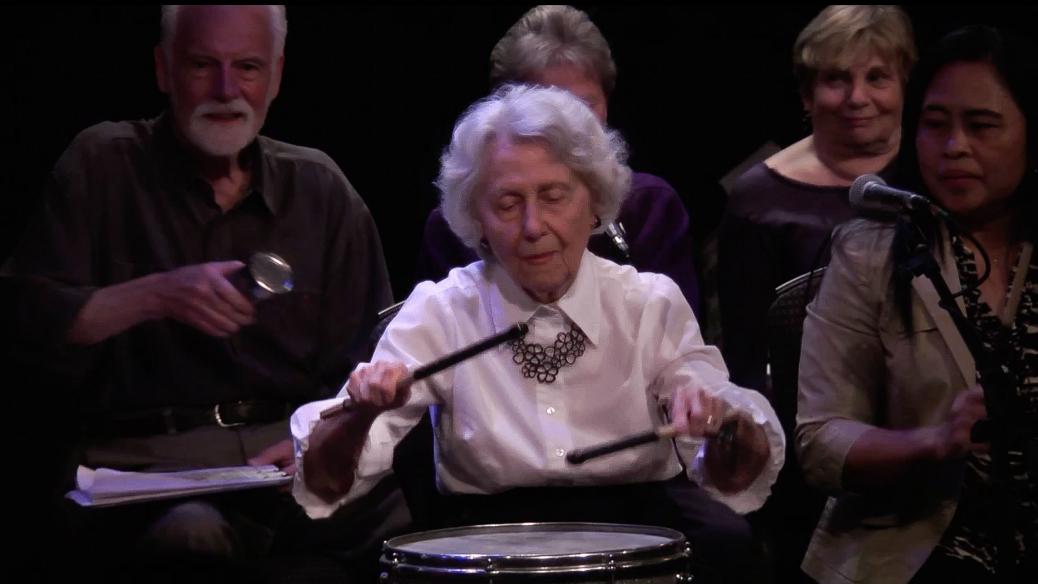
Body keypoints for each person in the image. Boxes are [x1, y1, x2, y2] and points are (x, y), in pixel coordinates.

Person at [292, 84, 785, 584]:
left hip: (638, 533)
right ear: (476, 219)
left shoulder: (649, 303)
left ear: (593, 203)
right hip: (483, 543)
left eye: (554, 196)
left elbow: (735, 473)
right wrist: (361, 412)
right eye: (507, 203)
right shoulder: (441, 309)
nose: (533, 226)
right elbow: (327, 482)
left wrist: (723, 421)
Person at [3, 5, 404, 582]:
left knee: (404, 519)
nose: (225, 89)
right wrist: (155, 295)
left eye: (246, 67)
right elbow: (22, 324)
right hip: (147, 466)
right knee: (191, 534)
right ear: (164, 69)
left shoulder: (320, 190)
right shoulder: (102, 165)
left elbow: (370, 360)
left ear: (277, 75)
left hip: (284, 460)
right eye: (201, 66)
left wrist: (326, 430)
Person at [796, 25, 1037, 583]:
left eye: (981, 127)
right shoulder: (870, 253)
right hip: (918, 548)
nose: (954, 146)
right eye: (934, 126)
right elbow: (820, 440)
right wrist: (934, 441)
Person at [415, 4, 700, 314]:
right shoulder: (454, 227)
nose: (569, 125)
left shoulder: (650, 207)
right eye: (546, 109)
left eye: (583, 105)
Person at [719, 5, 916, 396]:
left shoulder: (935, 175)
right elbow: (747, 359)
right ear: (807, 96)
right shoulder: (759, 199)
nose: (857, 97)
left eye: (877, 78)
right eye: (837, 79)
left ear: (904, 86)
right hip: (808, 408)